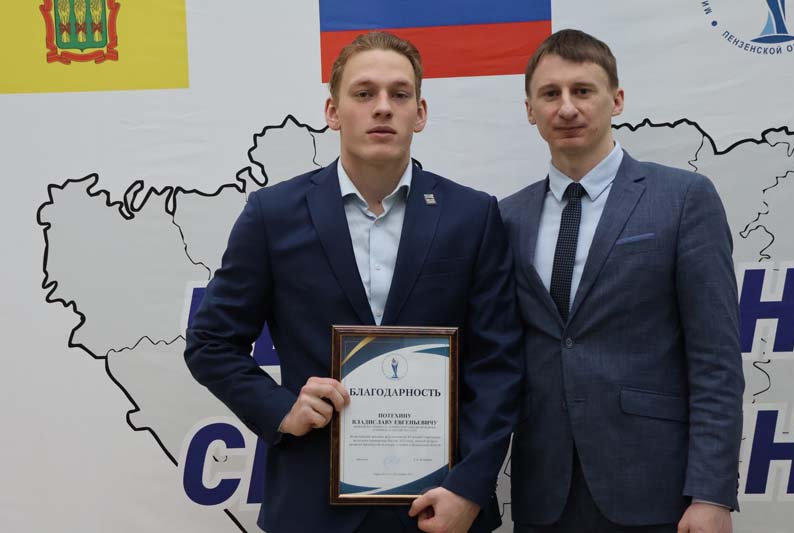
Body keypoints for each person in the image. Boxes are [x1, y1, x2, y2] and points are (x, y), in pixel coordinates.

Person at [185, 31, 522, 533]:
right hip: (312, 506)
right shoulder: (273, 215)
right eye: (364, 93)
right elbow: (210, 342)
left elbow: (498, 363)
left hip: (440, 507)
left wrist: (469, 487)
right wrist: (281, 409)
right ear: (333, 111)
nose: (382, 107)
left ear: (420, 113)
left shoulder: (471, 216)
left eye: (399, 94)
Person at [500, 29, 744, 533]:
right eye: (550, 94)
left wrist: (712, 494)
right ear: (529, 110)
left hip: (658, 492)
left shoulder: (683, 199)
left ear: (617, 100)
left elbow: (716, 361)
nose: (567, 107)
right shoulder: (507, 218)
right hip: (544, 494)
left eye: (582, 90)